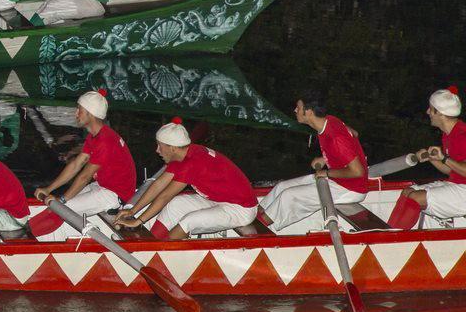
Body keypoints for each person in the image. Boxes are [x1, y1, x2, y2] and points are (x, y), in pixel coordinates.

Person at [115, 118, 257, 239]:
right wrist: (133, 211)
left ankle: (158, 253)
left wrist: (138, 221)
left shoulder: (192, 162)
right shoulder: (184, 154)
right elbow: (159, 184)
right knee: (176, 204)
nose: (157, 150)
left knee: (190, 220)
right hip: (218, 200)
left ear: (172, 148)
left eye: (160, 146)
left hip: (240, 209)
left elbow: (165, 195)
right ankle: (151, 243)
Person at [30, 90, 136, 239]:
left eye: (80, 109)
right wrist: (49, 189)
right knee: (60, 205)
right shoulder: (96, 135)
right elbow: (76, 165)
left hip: (113, 195)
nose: (76, 113)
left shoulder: (105, 140)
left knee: (61, 209)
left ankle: (22, 239)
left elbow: (85, 176)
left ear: (90, 113)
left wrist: (61, 201)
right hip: (102, 186)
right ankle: (28, 233)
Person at [258, 96, 368, 230]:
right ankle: (254, 219)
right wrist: (326, 158)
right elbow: (354, 133)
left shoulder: (336, 138)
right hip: (337, 179)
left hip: (351, 188)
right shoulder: (329, 120)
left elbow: (358, 171)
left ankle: (255, 231)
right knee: (281, 187)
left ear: (309, 112)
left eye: (298, 108)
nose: (295, 110)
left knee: (289, 196)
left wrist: (327, 172)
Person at [388, 87, 466, 229]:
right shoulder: (448, 133)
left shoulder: (462, 135)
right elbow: (452, 170)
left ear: (440, 113)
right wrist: (433, 158)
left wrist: (444, 158)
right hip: (458, 185)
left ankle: (393, 239)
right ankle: (389, 232)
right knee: (407, 192)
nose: (428, 112)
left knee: (417, 198)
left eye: (431, 109)